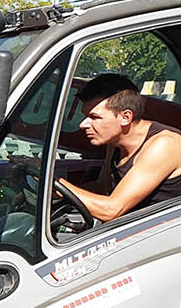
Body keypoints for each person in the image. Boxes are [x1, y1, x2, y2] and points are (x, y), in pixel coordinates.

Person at [58, 73, 181, 222]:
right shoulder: (115, 142)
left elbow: (111, 210)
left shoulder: (163, 145)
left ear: (125, 117)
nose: (83, 124)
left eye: (94, 117)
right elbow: (103, 188)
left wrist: (56, 183)